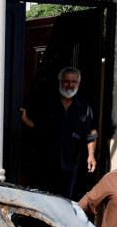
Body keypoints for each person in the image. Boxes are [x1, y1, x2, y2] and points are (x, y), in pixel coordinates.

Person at [21, 67, 98, 198]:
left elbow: (91, 133)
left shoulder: (84, 106)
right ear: (60, 82)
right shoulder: (48, 102)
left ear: (78, 83)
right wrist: (23, 118)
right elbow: (35, 124)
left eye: (74, 82)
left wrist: (91, 156)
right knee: (44, 197)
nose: (70, 85)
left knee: (65, 199)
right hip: (46, 162)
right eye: (67, 81)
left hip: (71, 163)